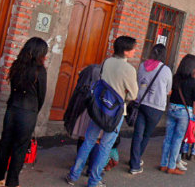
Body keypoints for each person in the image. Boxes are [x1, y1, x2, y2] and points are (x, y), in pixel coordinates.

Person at [66, 36, 138, 186]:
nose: (135, 51)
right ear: (126, 51)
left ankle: (73, 175)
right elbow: (133, 95)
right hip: (115, 111)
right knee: (105, 145)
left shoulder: (107, 62)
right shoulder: (129, 69)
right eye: (133, 48)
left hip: (98, 106)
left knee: (89, 140)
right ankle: (94, 180)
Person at [0, 37, 48, 187]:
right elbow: (41, 95)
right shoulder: (39, 70)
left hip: (12, 109)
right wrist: (35, 110)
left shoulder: (17, 65)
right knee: (20, 148)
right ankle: (12, 182)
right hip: (28, 112)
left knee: (5, 144)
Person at [129, 44, 172, 174]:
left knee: (137, 134)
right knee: (146, 135)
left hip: (140, 103)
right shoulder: (166, 70)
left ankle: (134, 164)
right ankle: (135, 160)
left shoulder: (142, 66)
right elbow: (168, 90)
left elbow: (137, 82)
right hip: (156, 107)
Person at [159, 54, 195, 175]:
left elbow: (169, 92)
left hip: (172, 108)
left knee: (168, 138)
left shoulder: (175, 77)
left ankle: (163, 164)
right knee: (177, 139)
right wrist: (192, 114)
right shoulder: (194, 82)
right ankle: (171, 166)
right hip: (184, 112)